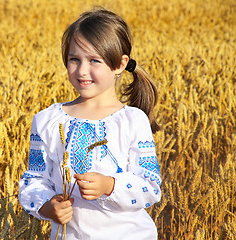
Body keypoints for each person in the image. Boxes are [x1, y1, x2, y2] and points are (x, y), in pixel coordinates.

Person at [19, 8, 162, 239]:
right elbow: (34, 179)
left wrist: (110, 185)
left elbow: (151, 187)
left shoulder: (133, 120)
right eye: (74, 59)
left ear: (119, 65)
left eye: (94, 60)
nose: (82, 70)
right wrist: (46, 207)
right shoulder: (47, 120)